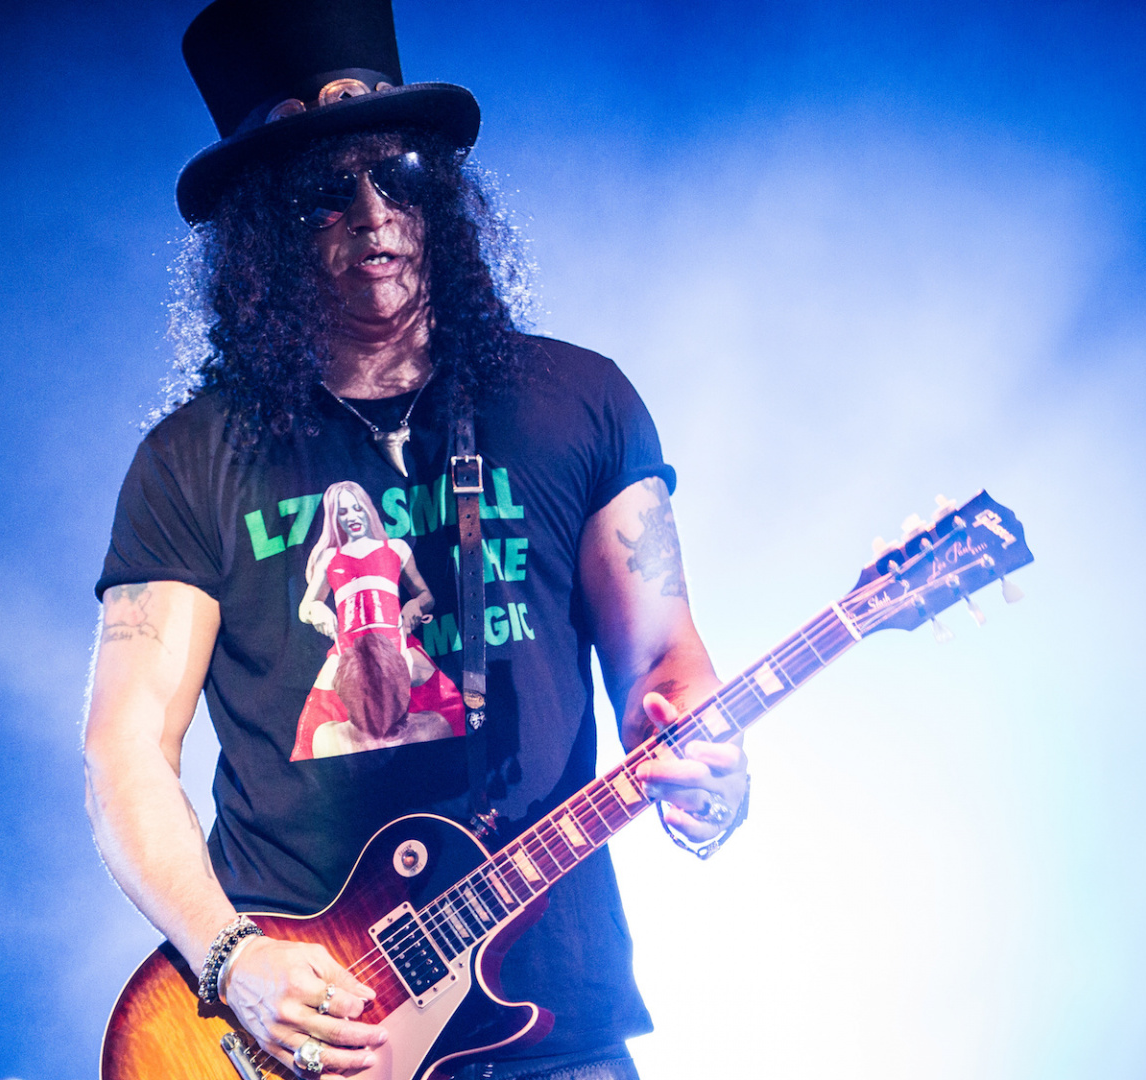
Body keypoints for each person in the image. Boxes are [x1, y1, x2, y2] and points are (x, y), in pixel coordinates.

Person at [84, 2, 748, 1078]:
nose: (373, 215)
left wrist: (710, 770)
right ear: (261, 231)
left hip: (555, 1027)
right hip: (306, 1036)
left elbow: (667, 666)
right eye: (324, 192)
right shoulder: (192, 458)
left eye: (395, 175)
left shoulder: (579, 401)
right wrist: (231, 961)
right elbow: (124, 751)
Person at [295, 479, 457, 759]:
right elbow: (305, 608)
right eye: (343, 511)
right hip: (348, 652)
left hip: (397, 646)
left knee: (450, 712)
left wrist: (415, 605)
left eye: (356, 508)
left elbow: (425, 595)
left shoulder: (396, 548)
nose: (352, 516)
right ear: (334, 518)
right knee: (311, 733)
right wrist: (316, 610)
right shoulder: (329, 557)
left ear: (367, 509)